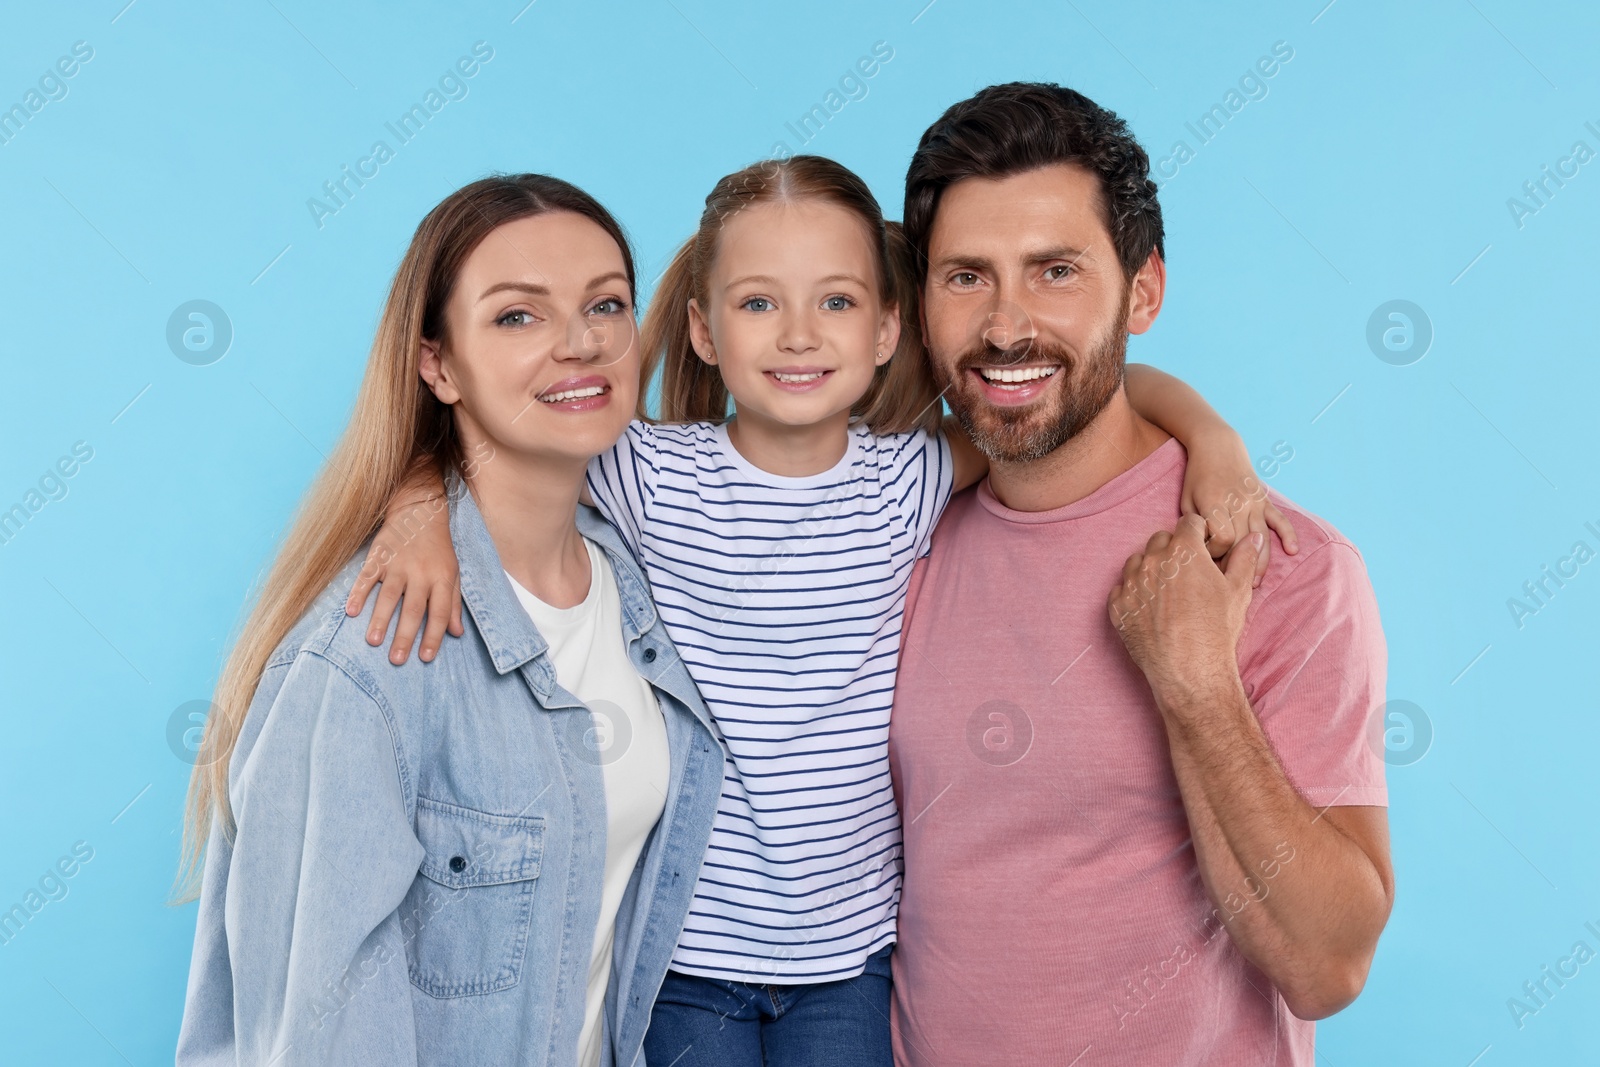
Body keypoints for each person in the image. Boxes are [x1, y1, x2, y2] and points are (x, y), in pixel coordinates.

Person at [351, 155, 1291, 1065]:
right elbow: (507, 441)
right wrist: (417, 507)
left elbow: (1093, 391)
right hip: (688, 956)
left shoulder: (909, 480)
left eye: (835, 301)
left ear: (887, 329)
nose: (799, 335)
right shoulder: (648, 472)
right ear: (706, 331)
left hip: (849, 963)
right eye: (760, 302)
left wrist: (1213, 438)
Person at [887, 82, 1394, 1065]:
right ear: (919, 304)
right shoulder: (892, 533)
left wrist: (1195, 687)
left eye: (1055, 271)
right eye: (965, 277)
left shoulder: (1274, 561)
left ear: (1143, 290)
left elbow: (1327, 965)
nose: (1004, 324)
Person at [174, 175, 724, 1067]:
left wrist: (421, 494)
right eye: (518, 317)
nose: (579, 343)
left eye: (606, 304)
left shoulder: (651, 574)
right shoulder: (373, 655)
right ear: (438, 363)